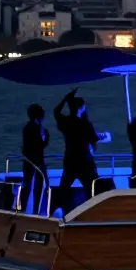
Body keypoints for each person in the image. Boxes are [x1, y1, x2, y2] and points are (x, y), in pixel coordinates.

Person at [53, 88, 111, 216]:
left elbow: (56, 111)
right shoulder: (85, 124)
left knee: (64, 187)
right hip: (85, 160)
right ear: (82, 108)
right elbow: (94, 138)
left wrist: (65, 98)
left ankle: (65, 211)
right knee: (91, 187)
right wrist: (105, 136)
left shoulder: (66, 122)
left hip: (70, 159)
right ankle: (92, 211)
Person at [19, 103, 50, 213]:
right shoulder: (38, 129)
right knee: (42, 184)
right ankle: (36, 209)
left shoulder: (27, 128)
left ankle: (22, 207)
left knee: (27, 184)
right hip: (37, 160)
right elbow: (41, 144)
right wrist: (45, 137)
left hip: (28, 160)